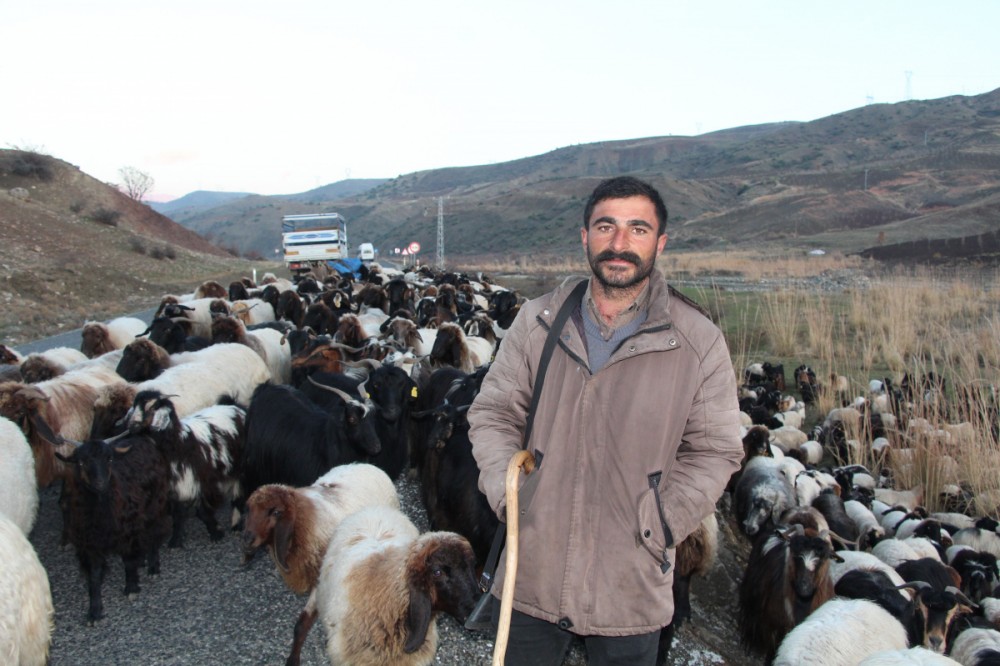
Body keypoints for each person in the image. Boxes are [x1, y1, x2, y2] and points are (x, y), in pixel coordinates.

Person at [468, 175, 744, 665]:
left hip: (629, 586)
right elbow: (492, 413)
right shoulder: (537, 323)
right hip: (532, 572)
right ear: (585, 237)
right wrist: (510, 493)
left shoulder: (696, 341)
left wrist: (660, 522)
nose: (619, 244)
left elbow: (715, 448)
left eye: (637, 229)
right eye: (606, 227)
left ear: (660, 242)